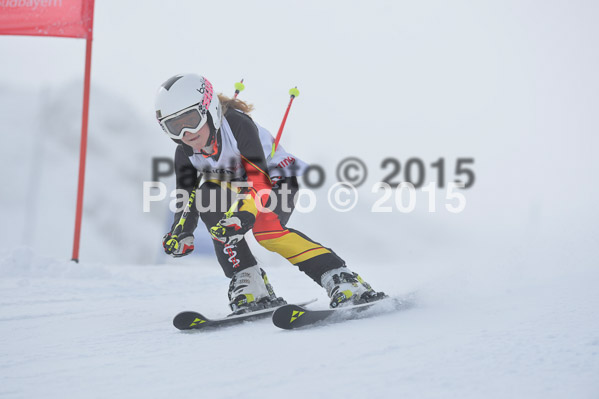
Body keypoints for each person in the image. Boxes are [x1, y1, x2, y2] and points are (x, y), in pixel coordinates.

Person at [155, 73, 384, 313]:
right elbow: (186, 198)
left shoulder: (237, 125)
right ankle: (250, 282)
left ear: (209, 109)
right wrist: (181, 232)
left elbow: (259, 182)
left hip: (275, 181)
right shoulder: (185, 152)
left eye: (191, 120)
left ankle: (341, 278)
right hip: (237, 188)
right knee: (207, 198)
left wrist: (244, 215)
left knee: (267, 232)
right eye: (175, 126)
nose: (186, 133)